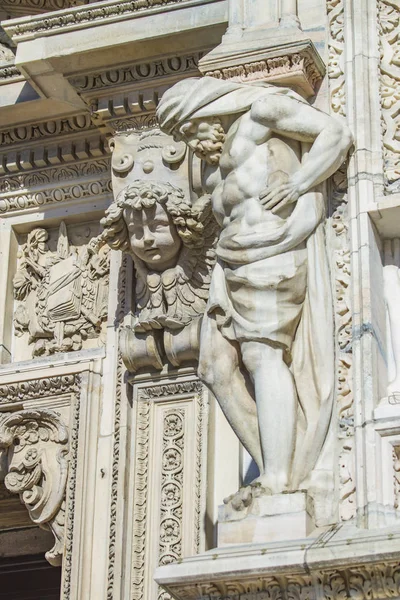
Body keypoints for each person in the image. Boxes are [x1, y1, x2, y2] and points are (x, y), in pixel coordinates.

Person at [157, 77, 353, 494]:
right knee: (213, 365)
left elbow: (335, 133)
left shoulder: (262, 111)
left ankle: (279, 480)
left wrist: (298, 185)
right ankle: (278, 459)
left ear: (205, 110)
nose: (192, 144)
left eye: (189, 130)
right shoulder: (216, 162)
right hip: (231, 264)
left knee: (262, 357)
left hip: (271, 255)